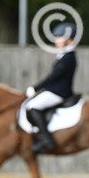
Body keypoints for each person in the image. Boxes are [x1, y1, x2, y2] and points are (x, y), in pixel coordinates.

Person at [25, 23, 78, 153]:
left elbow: (53, 77)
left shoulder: (68, 57)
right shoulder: (64, 55)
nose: (56, 41)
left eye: (59, 39)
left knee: (32, 106)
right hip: (55, 90)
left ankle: (47, 140)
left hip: (60, 92)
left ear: (69, 40)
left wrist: (36, 88)